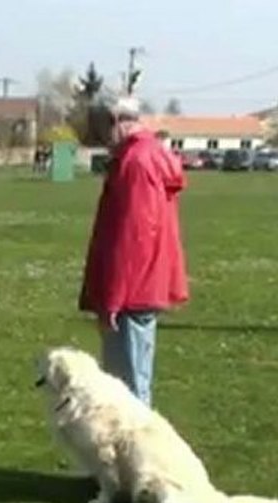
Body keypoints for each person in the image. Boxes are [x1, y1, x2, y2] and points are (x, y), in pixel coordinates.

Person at [78, 95, 189, 408]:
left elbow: (133, 237)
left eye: (101, 128)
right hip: (142, 285)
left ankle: (136, 456)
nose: (100, 138)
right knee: (128, 385)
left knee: (127, 393)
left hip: (132, 290)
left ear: (116, 121)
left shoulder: (135, 163)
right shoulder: (146, 155)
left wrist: (112, 297)